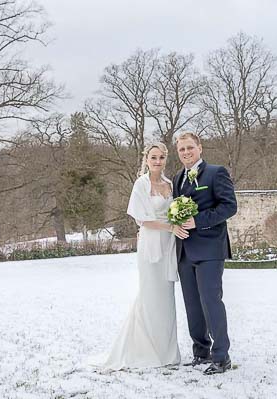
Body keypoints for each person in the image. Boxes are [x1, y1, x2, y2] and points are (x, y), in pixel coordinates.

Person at [92, 142, 186, 371]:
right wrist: (170, 228)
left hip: (169, 245)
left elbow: (174, 212)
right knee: (150, 294)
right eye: (153, 157)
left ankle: (166, 352)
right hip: (151, 243)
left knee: (166, 298)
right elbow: (142, 220)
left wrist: (178, 223)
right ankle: (144, 350)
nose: (157, 161)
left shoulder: (170, 184)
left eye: (161, 157)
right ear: (146, 159)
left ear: (165, 159)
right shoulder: (141, 184)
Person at [172, 131, 237, 375]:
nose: (186, 153)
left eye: (190, 148)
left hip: (210, 248)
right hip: (184, 251)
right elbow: (176, 212)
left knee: (211, 301)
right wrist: (177, 225)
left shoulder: (216, 172)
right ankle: (201, 352)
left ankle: (221, 357)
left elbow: (229, 206)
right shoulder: (177, 177)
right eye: (181, 150)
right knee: (192, 305)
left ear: (200, 148)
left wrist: (197, 221)